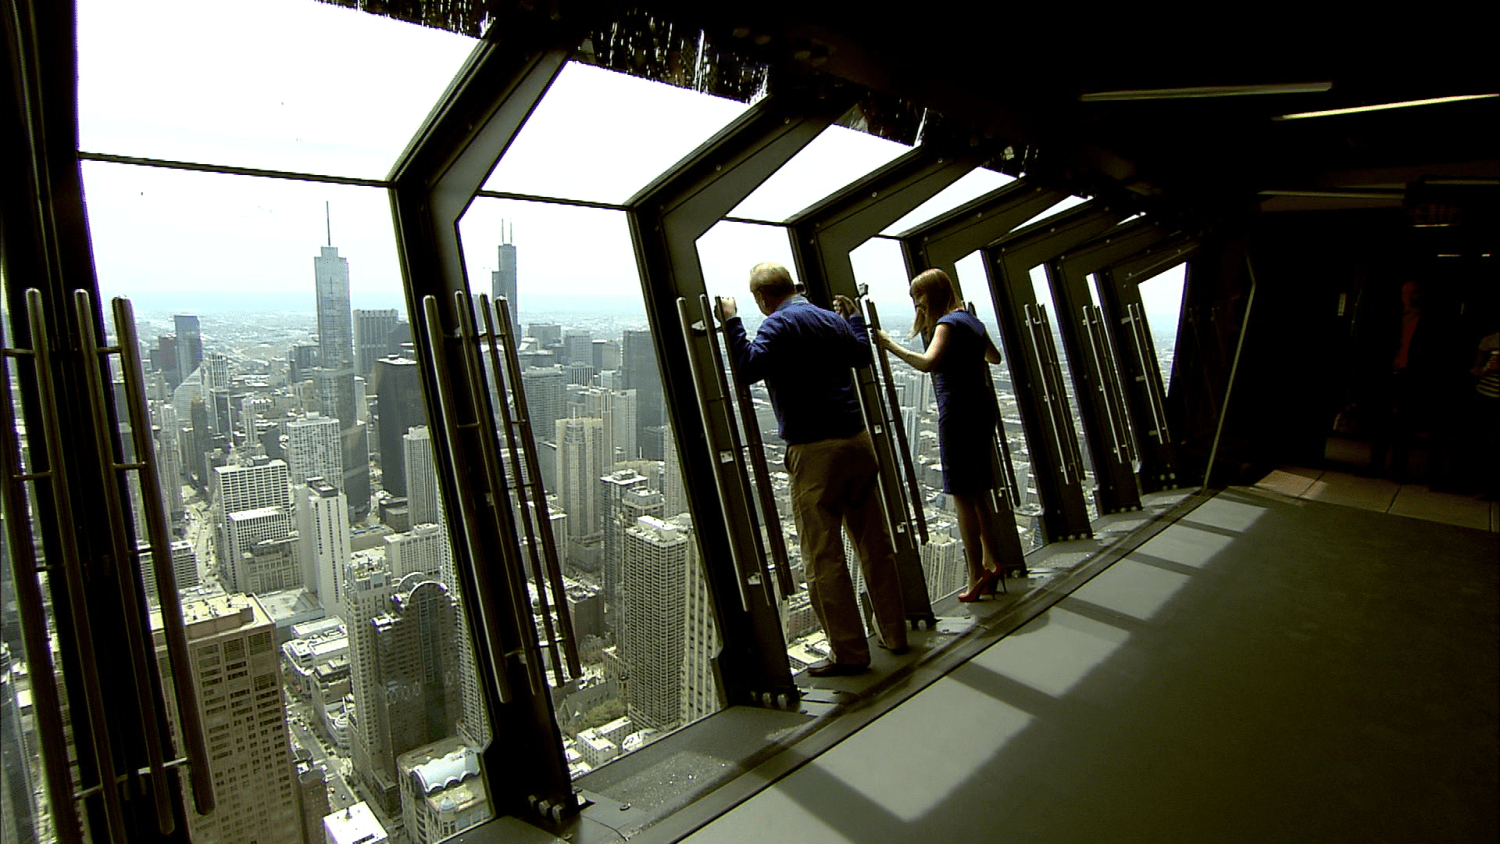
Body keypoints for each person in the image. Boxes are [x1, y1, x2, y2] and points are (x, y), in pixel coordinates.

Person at [717, 262, 908, 677]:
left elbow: (748, 367)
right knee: (874, 545)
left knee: (824, 556)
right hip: (858, 442)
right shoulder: (827, 318)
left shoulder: (779, 324)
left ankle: (850, 653)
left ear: (763, 298)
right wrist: (854, 317)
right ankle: (894, 632)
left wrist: (732, 322)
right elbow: (861, 355)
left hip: (816, 452)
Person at [874, 268, 1006, 602]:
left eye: (919, 296)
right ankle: (993, 561)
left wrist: (888, 345)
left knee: (962, 496)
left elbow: (928, 363)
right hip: (982, 406)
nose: (916, 303)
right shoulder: (970, 319)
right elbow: (995, 357)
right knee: (980, 492)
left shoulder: (947, 324)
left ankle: (976, 574)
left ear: (931, 294)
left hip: (958, 411)